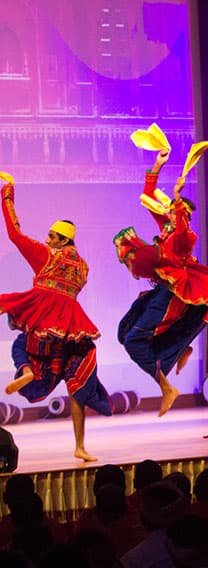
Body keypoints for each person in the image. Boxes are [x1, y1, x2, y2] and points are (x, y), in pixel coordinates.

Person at [1, 173, 111, 462]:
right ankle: (80, 446)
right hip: (73, 328)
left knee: (21, 343)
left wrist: (7, 191)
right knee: (78, 383)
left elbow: (14, 233)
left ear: (64, 240)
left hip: (45, 322)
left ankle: (26, 370)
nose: (46, 239)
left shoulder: (46, 255)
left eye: (52, 236)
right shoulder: (83, 266)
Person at [114, 150, 208, 416]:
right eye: (175, 212)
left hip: (173, 291)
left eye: (180, 212)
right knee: (124, 332)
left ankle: (166, 387)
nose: (173, 214)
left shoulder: (185, 235)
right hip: (162, 290)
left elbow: (181, 228)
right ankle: (180, 349)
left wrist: (178, 197)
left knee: (134, 342)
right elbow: (148, 197)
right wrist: (157, 165)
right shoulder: (167, 226)